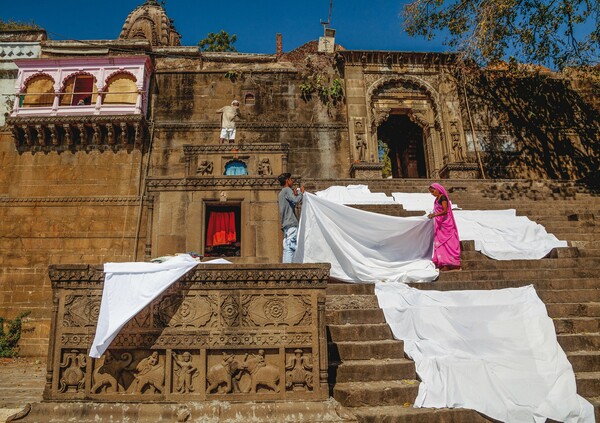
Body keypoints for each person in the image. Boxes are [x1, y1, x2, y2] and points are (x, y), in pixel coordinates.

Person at [427, 183, 461, 270]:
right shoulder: (436, 199)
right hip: (440, 224)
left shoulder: (443, 197)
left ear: (438, 189)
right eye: (431, 192)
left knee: (448, 243)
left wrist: (434, 215)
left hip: (446, 224)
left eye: (433, 191)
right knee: (441, 244)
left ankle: (451, 263)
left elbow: (445, 211)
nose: (432, 193)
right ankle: (443, 263)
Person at [278, 172, 304, 263]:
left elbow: (290, 204)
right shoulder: (287, 190)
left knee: (286, 247)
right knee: (290, 247)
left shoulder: (281, 193)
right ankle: (289, 268)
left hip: (286, 224)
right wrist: (301, 193)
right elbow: (296, 200)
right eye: (290, 179)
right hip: (291, 223)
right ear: (287, 180)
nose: (292, 181)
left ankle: (285, 268)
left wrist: (295, 195)